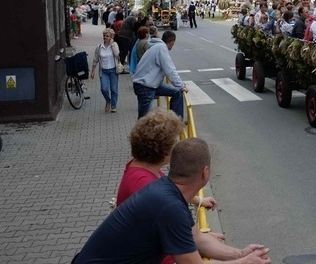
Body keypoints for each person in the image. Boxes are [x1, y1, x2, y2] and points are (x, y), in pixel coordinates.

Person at [73, 138, 271, 264]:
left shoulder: (168, 194)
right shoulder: (169, 207)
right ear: (205, 173)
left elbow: (198, 239)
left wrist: (241, 253)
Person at [113, 110, 270, 264]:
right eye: (175, 142)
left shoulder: (150, 176)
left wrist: (241, 254)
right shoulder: (150, 189)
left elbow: (194, 237)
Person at [132, 30, 188, 120]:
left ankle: (175, 121)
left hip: (150, 84)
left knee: (176, 92)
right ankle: (141, 133)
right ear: (172, 42)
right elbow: (170, 70)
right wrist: (181, 86)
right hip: (145, 86)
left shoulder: (156, 46)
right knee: (144, 120)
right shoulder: (161, 48)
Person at [90, 28, 121, 113]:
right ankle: (108, 100)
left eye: (107, 36)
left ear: (111, 37)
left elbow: (117, 56)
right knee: (104, 89)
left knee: (114, 89)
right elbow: (95, 59)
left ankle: (113, 106)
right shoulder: (99, 47)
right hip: (103, 71)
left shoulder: (114, 45)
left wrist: (112, 45)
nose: (105, 37)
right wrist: (92, 71)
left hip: (113, 71)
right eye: (104, 35)